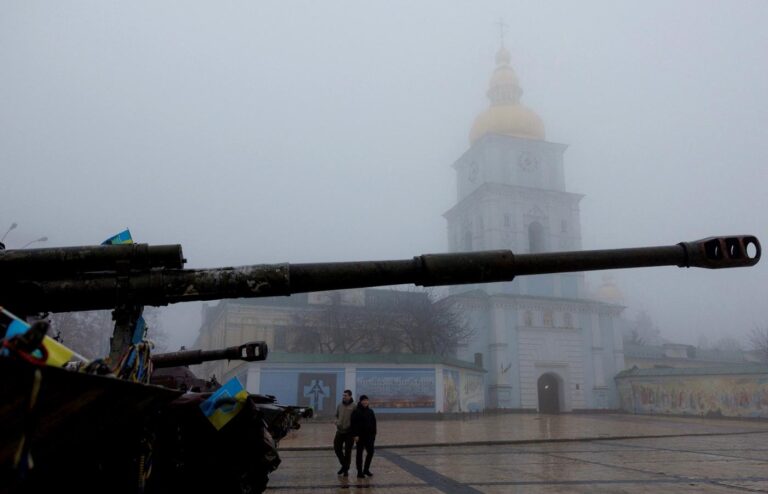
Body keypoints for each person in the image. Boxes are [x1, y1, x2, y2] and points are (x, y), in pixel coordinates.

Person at [351, 394, 376, 479]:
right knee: (359, 454)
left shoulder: (370, 411)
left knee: (371, 452)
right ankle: (359, 471)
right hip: (360, 437)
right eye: (363, 400)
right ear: (361, 401)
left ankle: (366, 469)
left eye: (366, 400)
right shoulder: (356, 411)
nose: (365, 402)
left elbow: (374, 424)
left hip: (369, 437)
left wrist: (374, 435)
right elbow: (353, 424)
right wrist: (355, 435)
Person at [333, 389, 355, 476]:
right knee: (337, 448)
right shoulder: (339, 405)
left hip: (349, 432)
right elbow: (336, 415)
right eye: (343, 395)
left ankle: (345, 469)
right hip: (339, 431)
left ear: (350, 396)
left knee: (347, 451)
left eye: (345, 395)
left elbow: (356, 419)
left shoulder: (354, 406)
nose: (344, 397)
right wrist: (336, 421)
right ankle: (345, 465)